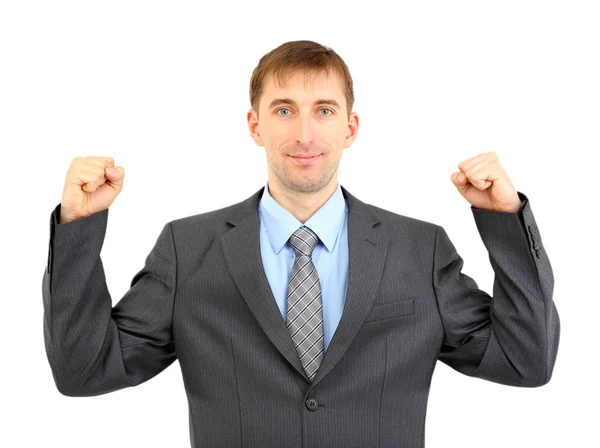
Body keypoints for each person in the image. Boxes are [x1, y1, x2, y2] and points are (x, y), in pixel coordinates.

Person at [42, 39, 560, 448]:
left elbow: (525, 361)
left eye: (324, 110)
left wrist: (504, 220)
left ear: (351, 127)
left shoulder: (417, 249)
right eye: (285, 110)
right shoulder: (188, 247)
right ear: (255, 126)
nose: (305, 134)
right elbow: (86, 371)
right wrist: (78, 228)